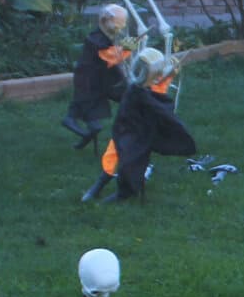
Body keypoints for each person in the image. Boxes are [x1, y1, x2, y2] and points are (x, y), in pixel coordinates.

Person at [83, 46, 195, 203]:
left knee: (131, 161)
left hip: (141, 132)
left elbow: (160, 102)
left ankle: (124, 192)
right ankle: (101, 185)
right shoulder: (135, 91)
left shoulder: (150, 87)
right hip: (126, 129)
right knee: (113, 154)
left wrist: (168, 75)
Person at [62, 5, 131, 148]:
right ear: (105, 21)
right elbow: (108, 56)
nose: (122, 26)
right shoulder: (95, 39)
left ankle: (86, 134)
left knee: (127, 97)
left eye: (123, 23)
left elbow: (111, 57)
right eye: (119, 23)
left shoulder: (105, 37)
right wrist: (125, 50)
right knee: (89, 114)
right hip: (89, 81)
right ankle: (82, 129)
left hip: (101, 80)